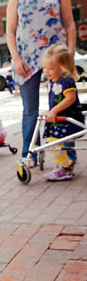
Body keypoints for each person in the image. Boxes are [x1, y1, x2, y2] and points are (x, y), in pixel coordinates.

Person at [5, 0, 76, 165]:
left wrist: (69, 57)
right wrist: (15, 58)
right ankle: (29, 154)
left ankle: (66, 156)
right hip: (26, 61)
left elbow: (70, 25)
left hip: (57, 60)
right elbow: (10, 31)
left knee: (63, 105)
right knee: (30, 111)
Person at [41, 43, 82, 182]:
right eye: (45, 68)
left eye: (51, 68)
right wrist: (51, 111)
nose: (47, 71)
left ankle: (65, 168)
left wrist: (54, 110)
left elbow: (70, 98)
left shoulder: (66, 81)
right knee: (55, 142)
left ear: (63, 67)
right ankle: (64, 165)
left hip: (69, 120)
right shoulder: (53, 81)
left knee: (55, 142)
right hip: (60, 119)